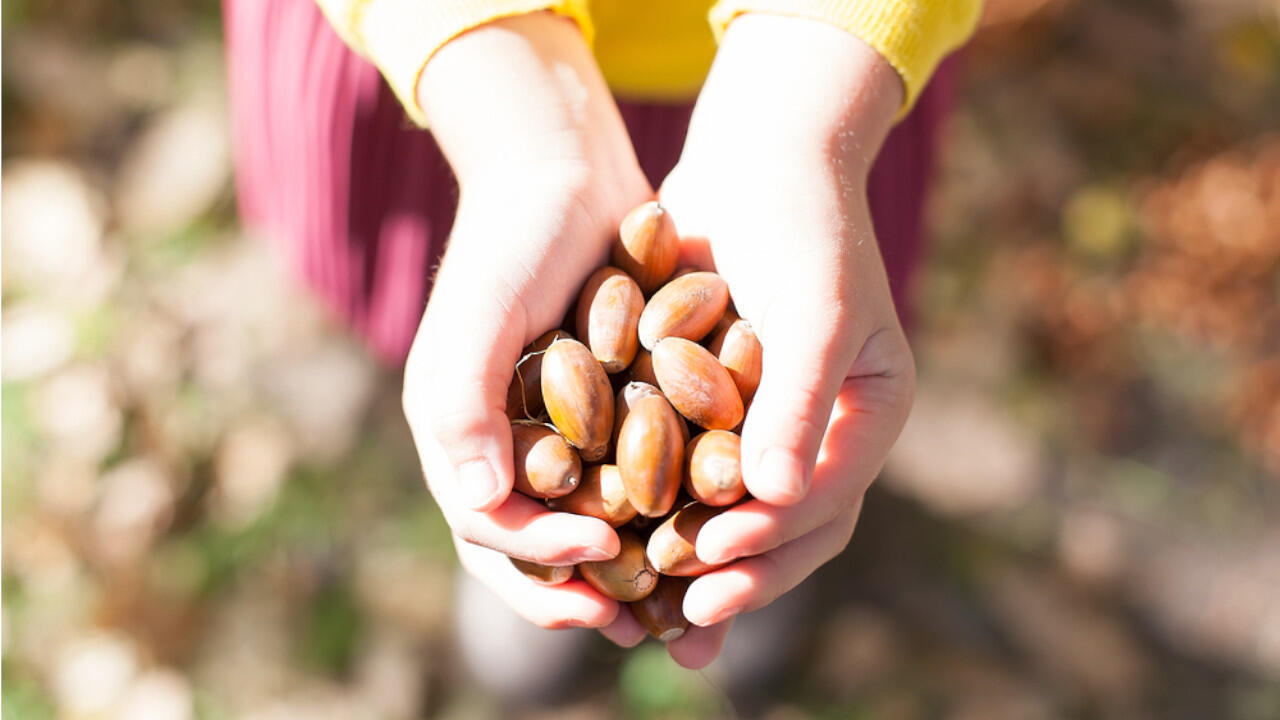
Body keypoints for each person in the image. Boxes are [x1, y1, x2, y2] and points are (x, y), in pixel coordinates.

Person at [223, 0, 980, 691]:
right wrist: (517, 123)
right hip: (478, 79)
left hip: (808, 82)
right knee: (489, 338)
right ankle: (558, 554)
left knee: (804, 367)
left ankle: (757, 544)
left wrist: (800, 100)